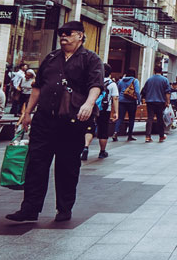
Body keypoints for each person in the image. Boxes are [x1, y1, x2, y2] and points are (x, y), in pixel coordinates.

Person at [7, 20, 104, 223]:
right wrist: (27, 113)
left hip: (72, 121)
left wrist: (88, 104)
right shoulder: (51, 58)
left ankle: (64, 209)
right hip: (44, 120)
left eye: (68, 33)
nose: (63, 36)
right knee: (36, 164)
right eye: (61, 33)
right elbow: (38, 86)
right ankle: (30, 209)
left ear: (80, 36)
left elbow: (96, 85)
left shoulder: (91, 59)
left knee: (67, 166)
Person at [83, 64, 118, 160]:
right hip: (105, 110)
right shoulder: (112, 84)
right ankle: (102, 152)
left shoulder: (93, 81)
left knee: (89, 127)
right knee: (103, 130)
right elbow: (115, 98)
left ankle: (85, 147)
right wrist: (116, 112)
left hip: (92, 108)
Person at [140, 63, 170, 142]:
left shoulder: (149, 79)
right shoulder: (165, 80)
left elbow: (144, 91)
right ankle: (161, 136)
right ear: (161, 71)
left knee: (150, 118)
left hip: (150, 101)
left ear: (154, 71)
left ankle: (148, 136)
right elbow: (167, 92)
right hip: (160, 102)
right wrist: (168, 102)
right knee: (160, 119)